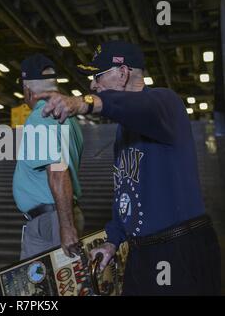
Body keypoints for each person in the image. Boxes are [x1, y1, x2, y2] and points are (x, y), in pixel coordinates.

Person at [34, 40, 221, 295]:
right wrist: (113, 240)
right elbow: (125, 191)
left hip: (179, 249)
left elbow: (139, 106)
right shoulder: (124, 130)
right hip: (141, 251)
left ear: (122, 74)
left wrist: (85, 102)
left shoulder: (166, 103)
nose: (92, 84)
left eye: (97, 76)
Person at [13, 54, 85, 260]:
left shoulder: (40, 117)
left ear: (27, 89)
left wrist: (66, 227)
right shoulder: (70, 120)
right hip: (62, 215)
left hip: (52, 221)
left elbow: (58, 172)